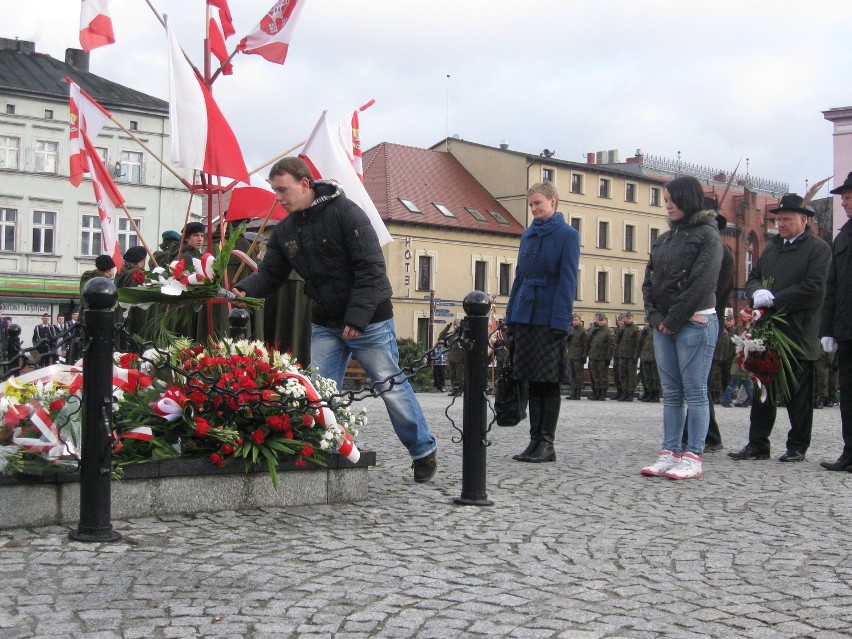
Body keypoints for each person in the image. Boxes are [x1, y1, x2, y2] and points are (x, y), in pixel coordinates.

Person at [233, 157, 438, 483]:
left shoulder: (347, 213)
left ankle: (422, 450)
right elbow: (271, 274)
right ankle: (327, 448)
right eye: (275, 191)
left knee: (391, 389)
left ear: (304, 184)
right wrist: (243, 289)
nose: (279, 198)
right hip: (326, 321)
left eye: (283, 190)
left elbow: (371, 268)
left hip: (369, 319)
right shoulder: (286, 229)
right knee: (318, 393)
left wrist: (356, 318)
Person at [728, 193, 832, 463]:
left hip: (798, 332)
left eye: (786, 219)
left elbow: (814, 288)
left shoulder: (818, 249)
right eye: (778, 219)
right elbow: (753, 276)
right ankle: (757, 443)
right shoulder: (773, 248)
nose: (781, 223)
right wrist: (757, 291)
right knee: (764, 391)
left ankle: (797, 446)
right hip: (768, 332)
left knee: (799, 395)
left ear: (803, 220)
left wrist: (776, 299)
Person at [640, 175, 722, 480]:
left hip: (695, 322)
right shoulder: (665, 239)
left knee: (695, 391)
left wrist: (672, 320)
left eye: (672, 199)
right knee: (672, 393)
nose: (668, 205)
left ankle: (693, 455)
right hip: (665, 325)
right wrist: (656, 318)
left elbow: (702, 283)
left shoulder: (707, 236)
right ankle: (669, 451)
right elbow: (648, 282)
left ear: (688, 199)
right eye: (665, 200)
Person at [505, 181, 580, 463]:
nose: (534, 208)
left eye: (538, 203)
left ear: (553, 201)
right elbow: (519, 277)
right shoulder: (527, 235)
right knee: (531, 381)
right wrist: (510, 316)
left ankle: (546, 442)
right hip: (525, 313)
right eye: (531, 205)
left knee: (547, 381)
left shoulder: (567, 235)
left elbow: (568, 280)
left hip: (549, 316)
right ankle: (534, 440)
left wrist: (561, 321)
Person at [818, 172, 852, 471]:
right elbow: (832, 288)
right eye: (844, 197)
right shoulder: (842, 237)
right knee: (849, 395)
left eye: (850, 196)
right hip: (847, 328)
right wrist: (827, 329)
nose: (845, 201)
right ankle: (850, 451)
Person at [115, 245, 149, 350]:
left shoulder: (122, 273)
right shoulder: (136, 273)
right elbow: (138, 297)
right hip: (134, 316)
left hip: (122, 315)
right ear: (141, 260)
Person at [586, 313, 615, 400]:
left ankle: (602, 393)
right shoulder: (595, 330)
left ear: (605, 321)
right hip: (594, 356)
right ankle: (596, 392)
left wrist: (608, 358)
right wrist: (592, 331)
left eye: (601, 320)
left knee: (603, 376)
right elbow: (587, 341)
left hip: (602, 357)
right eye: (598, 320)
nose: (599, 322)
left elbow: (612, 345)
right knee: (595, 376)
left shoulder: (609, 331)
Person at [615, 312, 640, 401]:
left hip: (631, 356)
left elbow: (638, 344)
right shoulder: (623, 328)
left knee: (631, 376)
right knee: (623, 375)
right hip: (622, 355)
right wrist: (619, 331)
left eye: (629, 318)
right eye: (626, 318)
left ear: (632, 319)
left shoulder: (635, 329)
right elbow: (617, 341)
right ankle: (624, 392)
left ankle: (630, 393)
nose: (627, 320)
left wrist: (636, 355)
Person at [637, 318, 660, 402]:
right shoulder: (646, 330)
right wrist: (643, 332)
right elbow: (640, 342)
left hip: (654, 357)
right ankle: (649, 393)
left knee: (654, 377)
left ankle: (655, 394)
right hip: (645, 356)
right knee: (647, 377)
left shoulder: (657, 329)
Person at [565, 314, 587, 400]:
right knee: (572, 375)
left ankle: (578, 393)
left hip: (578, 355)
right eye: (573, 320)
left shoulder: (583, 331)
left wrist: (584, 355)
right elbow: (568, 343)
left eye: (576, 320)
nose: (574, 322)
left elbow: (585, 345)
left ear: (580, 321)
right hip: (571, 355)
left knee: (578, 375)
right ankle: (573, 392)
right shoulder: (571, 330)